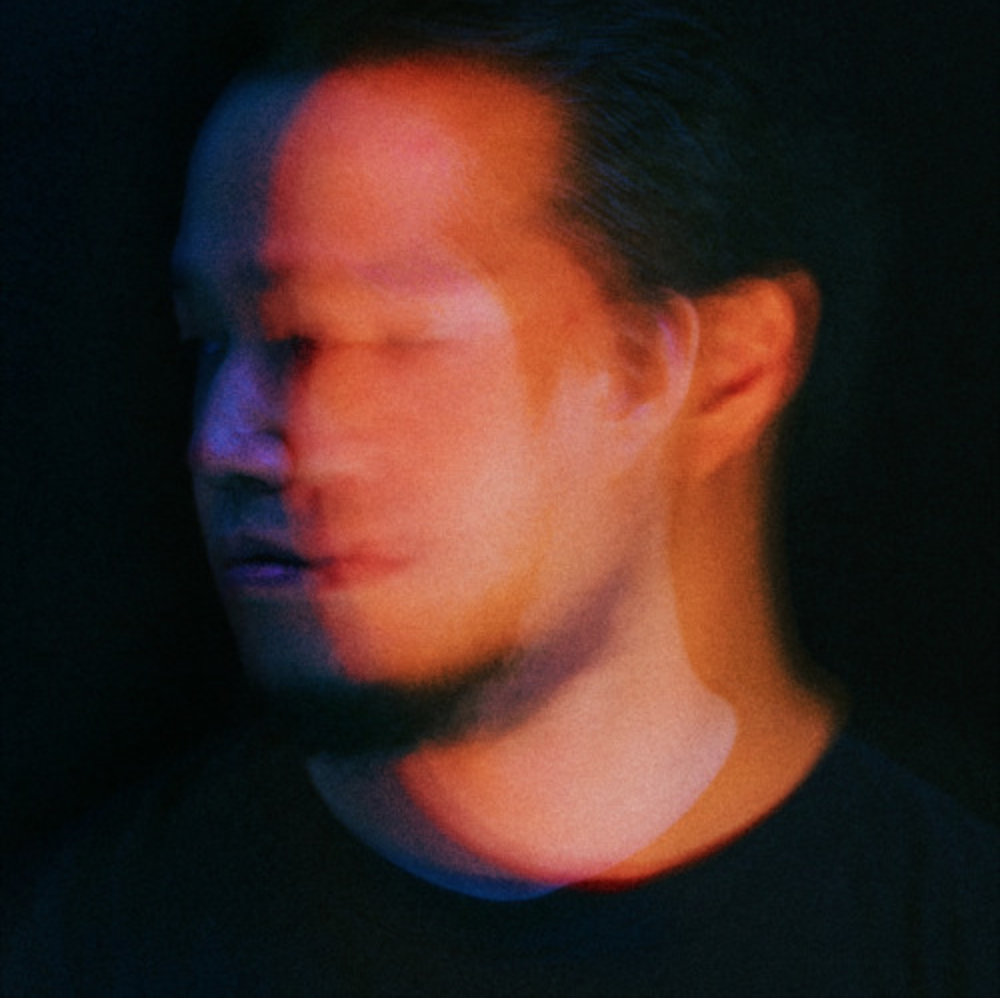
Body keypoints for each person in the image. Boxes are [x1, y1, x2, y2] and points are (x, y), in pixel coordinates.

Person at [3, 0, 996, 993]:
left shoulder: (953, 939)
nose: (222, 441)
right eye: (209, 338)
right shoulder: (81, 944)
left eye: (360, 333)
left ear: (709, 375)